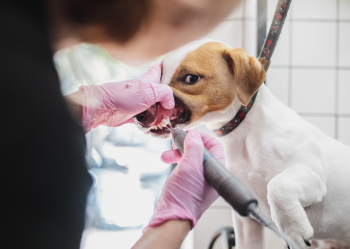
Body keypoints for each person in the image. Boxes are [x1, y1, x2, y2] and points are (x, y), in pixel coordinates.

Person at [1, 0, 241, 248]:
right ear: (181, 9)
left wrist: (91, 106)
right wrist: (176, 218)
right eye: (197, 23)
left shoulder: (14, 47)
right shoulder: (39, 138)